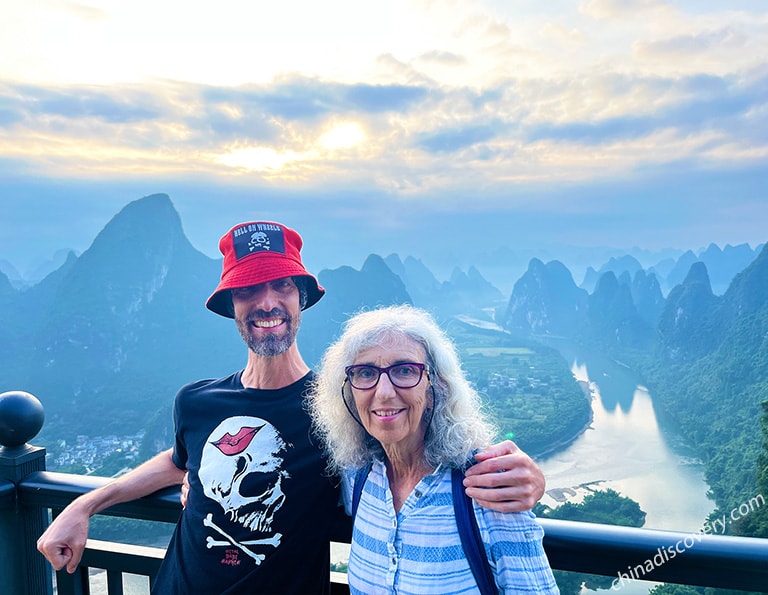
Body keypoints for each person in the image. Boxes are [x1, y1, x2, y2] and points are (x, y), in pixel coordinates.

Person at [37, 221, 548, 594]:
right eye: (248, 289)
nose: (266, 302)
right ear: (231, 306)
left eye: (281, 285)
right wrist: (83, 505)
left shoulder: (346, 412)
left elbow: (416, 448)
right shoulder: (196, 400)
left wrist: (525, 478)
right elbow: (176, 462)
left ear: (301, 298)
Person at [307, 304, 559, 594]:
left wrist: (535, 480)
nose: (385, 392)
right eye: (365, 373)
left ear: (434, 387)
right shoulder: (359, 479)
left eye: (404, 370)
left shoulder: (486, 491)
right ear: (350, 391)